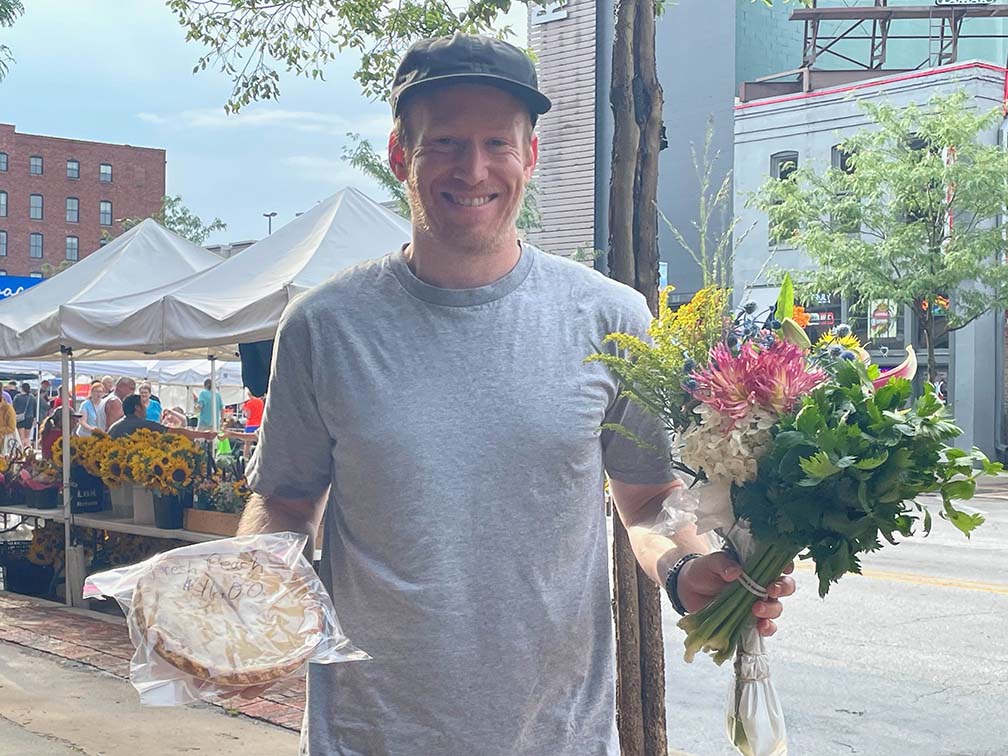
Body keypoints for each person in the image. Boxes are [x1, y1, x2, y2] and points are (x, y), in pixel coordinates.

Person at [237, 35, 795, 756]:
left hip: (554, 732)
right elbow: (283, 500)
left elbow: (649, 500)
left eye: (497, 143)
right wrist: (246, 584)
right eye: (444, 142)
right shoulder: (324, 326)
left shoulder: (613, 320)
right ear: (400, 155)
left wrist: (685, 571)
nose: (473, 169)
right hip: (368, 732)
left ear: (529, 157)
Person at [108, 394, 215, 442]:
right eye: (143, 404)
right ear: (137, 408)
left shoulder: (114, 427)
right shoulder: (144, 425)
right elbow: (175, 432)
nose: (146, 408)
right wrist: (204, 435)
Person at [12, 383, 36, 448]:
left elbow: (13, 408)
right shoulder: (32, 397)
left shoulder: (17, 397)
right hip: (30, 418)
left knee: (21, 437)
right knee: (27, 437)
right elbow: (35, 408)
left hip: (20, 418)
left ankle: (22, 451)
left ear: (22, 388)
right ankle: (28, 451)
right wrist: (34, 418)